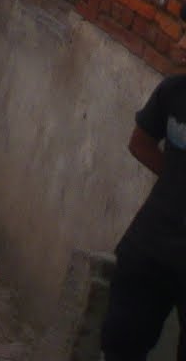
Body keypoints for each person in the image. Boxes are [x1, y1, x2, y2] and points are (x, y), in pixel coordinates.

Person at [101, 68, 186, 361]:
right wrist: (175, 181)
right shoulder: (174, 92)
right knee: (120, 342)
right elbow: (140, 142)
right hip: (150, 246)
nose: (181, 44)